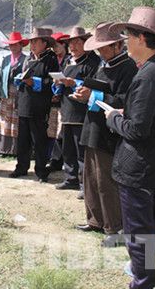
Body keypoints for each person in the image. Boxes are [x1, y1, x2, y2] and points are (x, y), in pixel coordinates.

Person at [105, 7, 155, 289]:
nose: (125, 41)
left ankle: (142, 280)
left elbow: (137, 130)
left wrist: (114, 117)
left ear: (141, 38)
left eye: (128, 36)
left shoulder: (148, 76)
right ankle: (143, 270)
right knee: (147, 224)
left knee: (138, 229)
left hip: (140, 167)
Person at [73, 22, 137, 247]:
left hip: (109, 131)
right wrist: (83, 93)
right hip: (92, 128)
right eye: (99, 48)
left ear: (118, 45)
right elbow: (94, 88)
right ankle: (95, 220)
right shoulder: (103, 65)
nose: (100, 52)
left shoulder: (128, 68)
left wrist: (93, 96)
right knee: (89, 178)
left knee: (106, 181)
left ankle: (114, 227)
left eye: (105, 47)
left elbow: (124, 101)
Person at [52, 27, 99, 191]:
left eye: (77, 42)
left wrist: (74, 84)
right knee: (68, 148)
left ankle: (84, 184)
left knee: (82, 151)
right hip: (66, 110)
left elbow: (92, 85)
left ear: (86, 43)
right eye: (70, 43)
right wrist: (57, 84)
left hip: (81, 113)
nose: (73, 46)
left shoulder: (92, 63)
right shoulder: (67, 61)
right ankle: (70, 178)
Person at [10, 28, 59, 182]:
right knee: (23, 139)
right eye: (31, 41)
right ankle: (21, 167)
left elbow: (53, 82)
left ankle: (41, 171)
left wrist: (35, 82)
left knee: (39, 141)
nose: (32, 44)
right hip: (24, 103)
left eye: (36, 41)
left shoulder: (51, 59)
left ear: (45, 43)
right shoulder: (28, 58)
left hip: (39, 106)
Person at [0, 31, 28, 155]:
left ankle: (15, 149)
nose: (13, 47)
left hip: (18, 94)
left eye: (15, 44)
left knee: (15, 121)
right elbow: (1, 76)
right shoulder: (5, 60)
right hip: (5, 93)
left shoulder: (26, 59)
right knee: (4, 120)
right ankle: (3, 148)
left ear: (21, 45)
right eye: (11, 45)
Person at [46, 32, 71, 171]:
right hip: (53, 98)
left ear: (64, 45)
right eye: (53, 47)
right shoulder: (53, 59)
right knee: (53, 130)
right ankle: (53, 159)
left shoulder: (69, 60)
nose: (55, 49)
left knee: (62, 131)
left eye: (57, 46)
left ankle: (60, 160)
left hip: (65, 98)